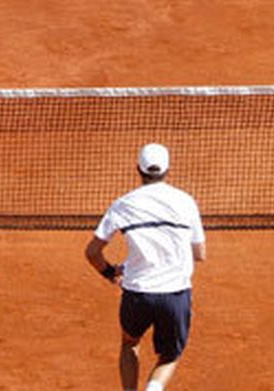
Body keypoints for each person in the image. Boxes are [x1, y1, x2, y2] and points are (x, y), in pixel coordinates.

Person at [85, 143, 206, 391]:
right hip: (176, 294)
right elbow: (200, 254)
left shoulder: (122, 204)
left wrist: (110, 272)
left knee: (130, 343)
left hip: (137, 295)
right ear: (167, 170)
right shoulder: (185, 201)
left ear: (138, 170)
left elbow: (92, 252)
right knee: (170, 355)